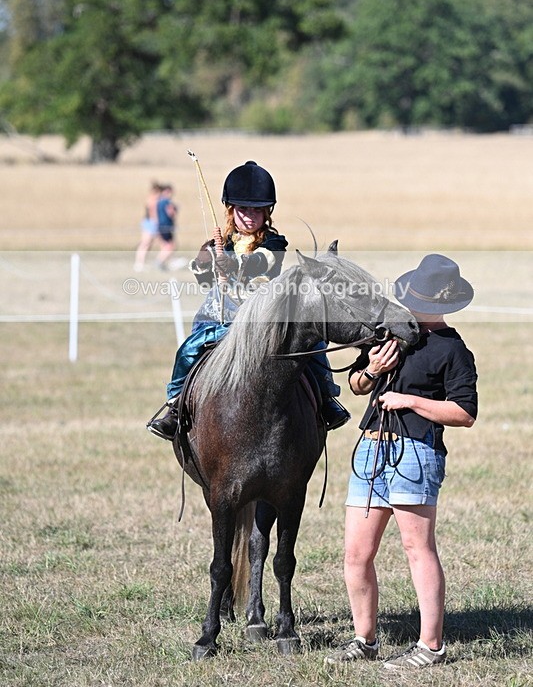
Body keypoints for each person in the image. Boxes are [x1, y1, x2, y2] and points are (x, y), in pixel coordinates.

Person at [324, 254, 478, 670]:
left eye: (416, 297)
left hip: (416, 451)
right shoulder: (386, 335)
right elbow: (355, 385)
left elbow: (464, 413)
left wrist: (409, 400)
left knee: (416, 548)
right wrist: (373, 368)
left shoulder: (453, 350)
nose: (408, 303)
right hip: (372, 450)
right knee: (356, 553)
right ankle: (365, 639)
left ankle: (431, 647)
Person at [147, 160, 350, 441]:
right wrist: (207, 261)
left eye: (257, 210)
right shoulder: (218, 245)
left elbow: (263, 263)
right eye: (243, 209)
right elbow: (203, 280)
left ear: (267, 212)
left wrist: (233, 264)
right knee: (188, 350)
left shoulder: (274, 242)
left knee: (313, 344)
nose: (250, 216)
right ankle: (176, 407)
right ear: (231, 209)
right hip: (222, 320)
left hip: (264, 320)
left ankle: (328, 400)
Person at [134, 181, 162, 272]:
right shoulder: (153, 199)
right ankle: (139, 263)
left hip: (149, 222)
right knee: (145, 243)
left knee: (148, 244)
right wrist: (157, 222)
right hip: (150, 222)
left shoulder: (151, 198)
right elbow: (153, 213)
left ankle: (141, 263)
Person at [156, 184, 178, 270]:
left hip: (160, 226)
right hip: (166, 226)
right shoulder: (167, 202)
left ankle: (163, 263)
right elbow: (171, 213)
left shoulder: (159, 201)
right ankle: (159, 262)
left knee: (165, 246)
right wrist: (175, 210)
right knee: (171, 246)